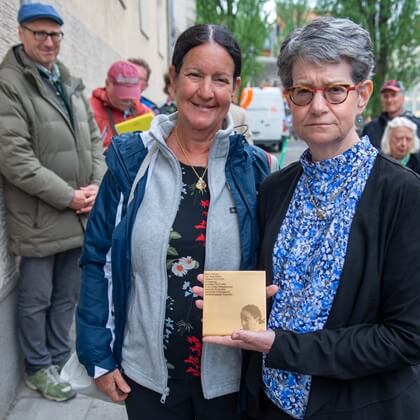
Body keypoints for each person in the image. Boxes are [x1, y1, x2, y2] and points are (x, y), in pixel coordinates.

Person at [199, 16, 420, 420]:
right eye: (303, 91)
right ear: (289, 97)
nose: (318, 106)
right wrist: (224, 299)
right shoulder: (275, 188)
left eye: (336, 90)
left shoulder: (404, 195)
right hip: (270, 402)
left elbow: (407, 337)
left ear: (362, 94)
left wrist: (280, 347)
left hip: (357, 407)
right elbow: (269, 290)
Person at [76, 24, 271, 420]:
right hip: (146, 376)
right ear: (173, 78)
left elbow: (271, 262)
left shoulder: (252, 168)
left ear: (235, 87)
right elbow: (97, 258)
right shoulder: (132, 162)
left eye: (220, 79)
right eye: (194, 74)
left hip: (228, 380)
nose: (205, 91)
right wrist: (98, 353)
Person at [0, 2, 105, 402]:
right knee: (36, 298)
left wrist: (98, 185)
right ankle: (37, 368)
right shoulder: (11, 83)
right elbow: (14, 158)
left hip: (79, 212)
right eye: (39, 33)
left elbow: (94, 142)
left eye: (55, 34)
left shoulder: (68, 80)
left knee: (67, 296)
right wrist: (70, 196)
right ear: (21, 34)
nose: (48, 41)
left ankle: (60, 358)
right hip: (41, 215)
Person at [90, 60, 151, 149]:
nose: (128, 100)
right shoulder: (90, 111)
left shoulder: (144, 113)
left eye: (132, 93)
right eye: (122, 93)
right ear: (108, 84)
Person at [362, 79, 420, 149]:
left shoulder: (416, 125)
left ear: (403, 97)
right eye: (386, 96)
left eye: (393, 95)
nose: (389, 100)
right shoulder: (371, 127)